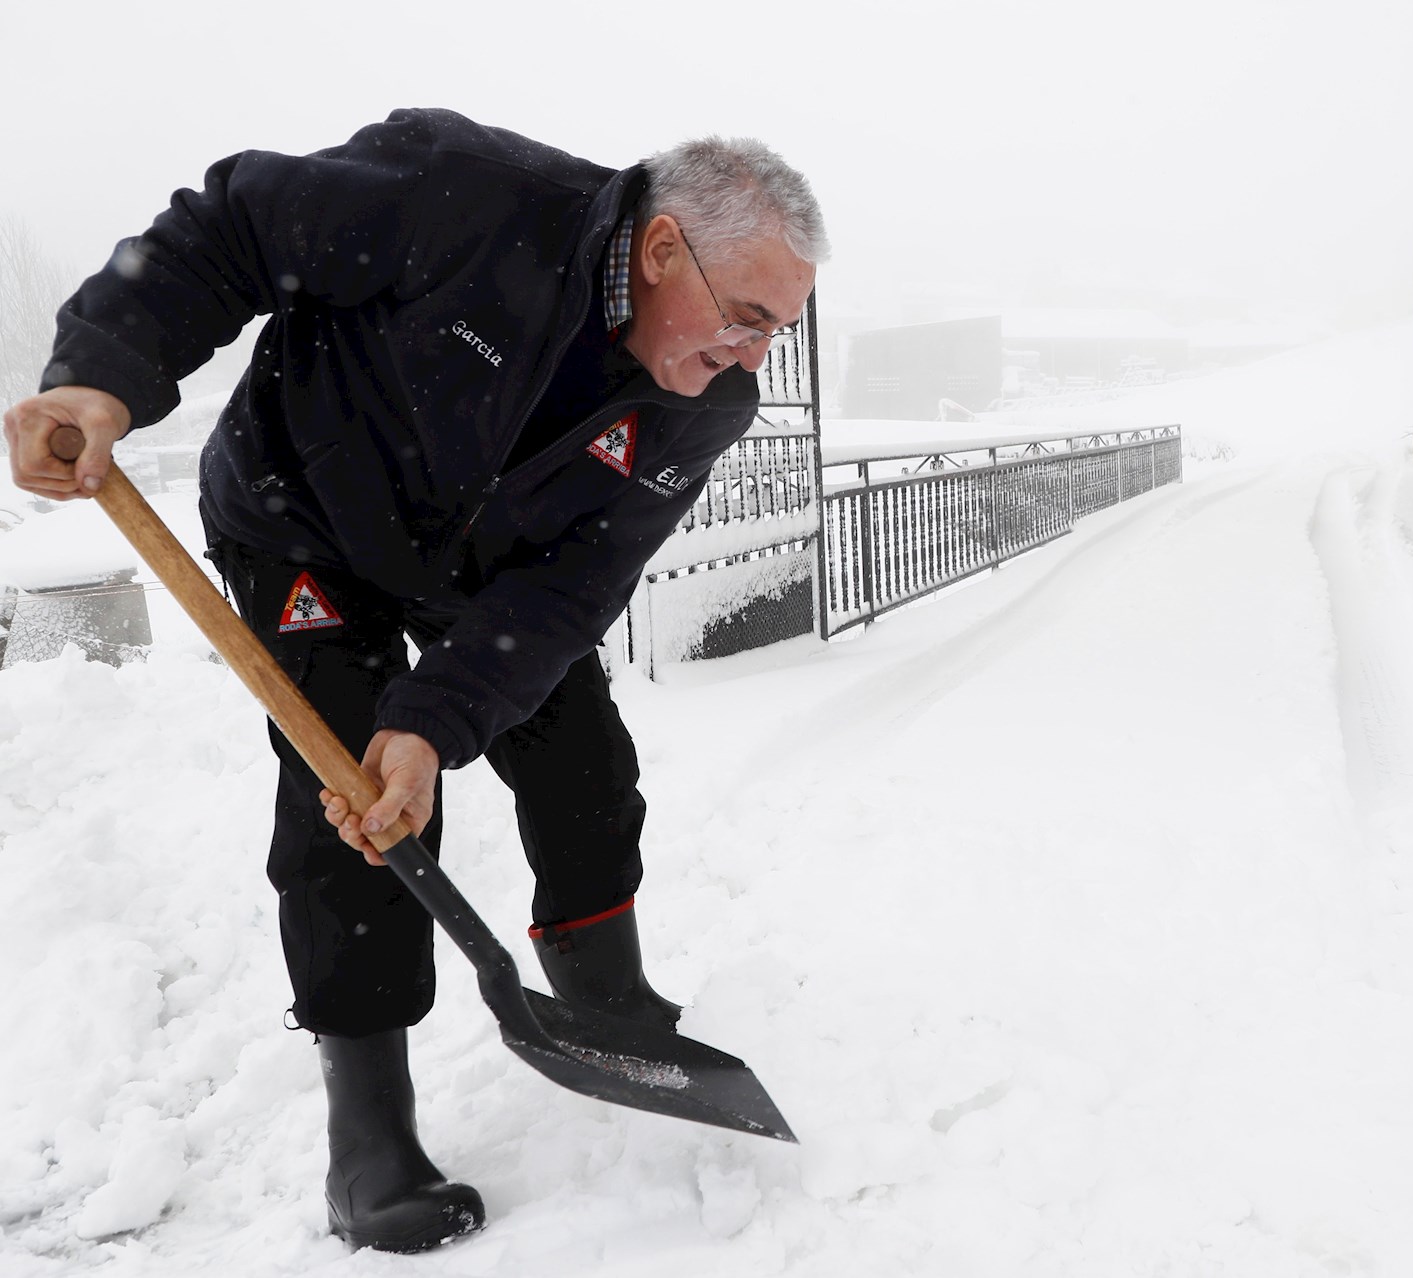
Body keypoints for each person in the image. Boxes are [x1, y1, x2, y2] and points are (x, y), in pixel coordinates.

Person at [2, 109, 827, 1253]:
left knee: (583, 757)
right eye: (746, 319)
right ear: (661, 248)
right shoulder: (466, 194)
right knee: (354, 801)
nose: (753, 356)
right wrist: (101, 378)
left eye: (777, 331)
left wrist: (436, 721)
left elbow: (571, 589)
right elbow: (232, 228)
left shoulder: (704, 405)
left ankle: (606, 999)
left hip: (483, 571)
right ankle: (370, 1128)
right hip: (302, 522)